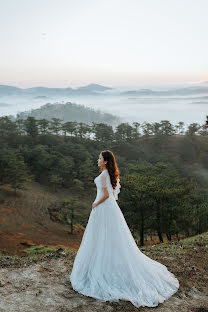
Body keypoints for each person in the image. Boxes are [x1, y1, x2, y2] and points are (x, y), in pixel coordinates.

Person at [70, 150, 179, 309]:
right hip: (109, 208)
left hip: (103, 207)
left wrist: (96, 204)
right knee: (109, 237)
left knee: (101, 236)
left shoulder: (104, 175)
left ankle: (103, 266)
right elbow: (111, 193)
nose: (98, 159)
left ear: (106, 161)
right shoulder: (108, 174)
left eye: (100, 158)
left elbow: (107, 195)